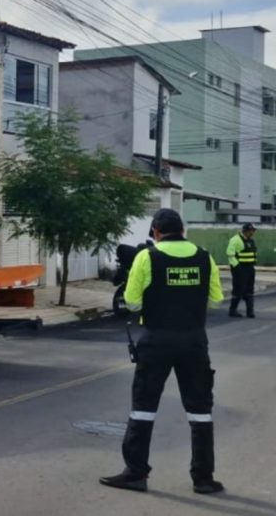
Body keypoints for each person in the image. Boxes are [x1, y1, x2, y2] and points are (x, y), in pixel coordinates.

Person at [100, 208, 225, 495]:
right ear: (183, 230)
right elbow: (216, 300)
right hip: (194, 341)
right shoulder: (204, 257)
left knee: (143, 407)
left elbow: (132, 303)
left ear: (156, 232)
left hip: (156, 341)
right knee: (200, 411)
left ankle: (136, 473)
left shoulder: (147, 257)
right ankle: (203, 478)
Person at [226, 223, 257, 318]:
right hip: (240, 268)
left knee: (250, 290)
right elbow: (230, 254)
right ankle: (232, 310)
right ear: (245, 231)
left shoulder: (251, 240)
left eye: (253, 231)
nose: (252, 233)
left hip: (250, 268)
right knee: (238, 289)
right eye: (250, 231)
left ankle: (250, 312)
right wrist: (237, 267)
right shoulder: (235, 240)